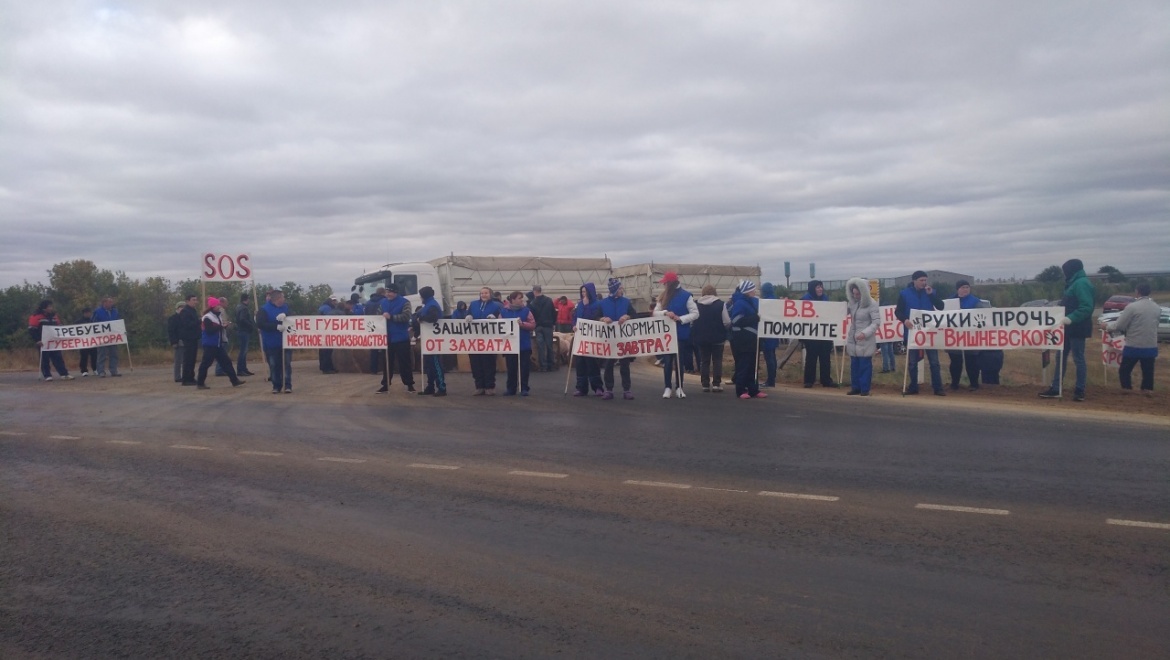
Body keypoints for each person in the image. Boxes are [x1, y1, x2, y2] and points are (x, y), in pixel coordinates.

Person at [1039, 259, 1094, 401]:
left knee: (1078, 358)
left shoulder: (1081, 283)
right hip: (1067, 328)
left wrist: (1070, 318)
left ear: (1072, 270)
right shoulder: (1073, 283)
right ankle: (1056, 387)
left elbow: (1087, 307)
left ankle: (1080, 390)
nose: (1064, 274)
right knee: (1060, 357)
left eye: (1065, 271)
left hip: (1077, 327)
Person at [1102, 282, 1159, 395]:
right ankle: (1147, 391)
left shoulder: (1132, 307)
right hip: (1151, 345)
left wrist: (1107, 326)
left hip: (1134, 344)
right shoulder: (1156, 307)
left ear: (1137, 292)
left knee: (1125, 370)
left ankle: (1127, 390)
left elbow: (1120, 325)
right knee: (1148, 371)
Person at [896, 271, 946, 395]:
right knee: (912, 362)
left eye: (925, 280)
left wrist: (931, 295)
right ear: (914, 281)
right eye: (921, 280)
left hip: (929, 333)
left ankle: (938, 388)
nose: (924, 283)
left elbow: (941, 306)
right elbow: (898, 312)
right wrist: (905, 320)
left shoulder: (930, 292)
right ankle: (913, 387)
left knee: (934, 362)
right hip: (913, 332)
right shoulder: (904, 294)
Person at [653, 271, 698, 398]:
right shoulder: (663, 296)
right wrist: (665, 313)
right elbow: (656, 312)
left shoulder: (686, 296)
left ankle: (679, 387)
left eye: (665, 283)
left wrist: (680, 318)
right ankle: (667, 387)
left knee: (680, 361)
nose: (663, 285)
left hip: (680, 333)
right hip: (667, 334)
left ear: (670, 283)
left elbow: (695, 313)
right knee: (667, 361)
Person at [195, 297, 245, 389]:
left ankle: (235, 381)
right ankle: (200, 383)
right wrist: (221, 326)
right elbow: (209, 331)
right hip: (210, 344)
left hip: (217, 344)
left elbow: (217, 329)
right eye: (217, 305)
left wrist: (223, 327)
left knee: (226, 362)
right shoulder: (207, 317)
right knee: (206, 364)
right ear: (213, 306)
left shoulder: (216, 316)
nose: (219, 306)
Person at [598, 278, 636, 400]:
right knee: (609, 364)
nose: (622, 290)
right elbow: (595, 317)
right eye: (620, 288)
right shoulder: (603, 303)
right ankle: (609, 389)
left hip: (623, 338)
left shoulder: (626, 302)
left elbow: (635, 315)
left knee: (625, 364)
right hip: (609, 338)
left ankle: (627, 389)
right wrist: (603, 319)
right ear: (614, 290)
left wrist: (627, 316)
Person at [728, 280, 765, 399]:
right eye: (753, 289)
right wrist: (755, 318)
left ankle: (753, 389)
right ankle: (741, 390)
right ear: (748, 291)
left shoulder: (751, 302)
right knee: (744, 365)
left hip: (753, 339)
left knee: (753, 366)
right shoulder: (740, 303)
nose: (754, 291)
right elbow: (736, 321)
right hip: (743, 339)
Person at [844, 278, 881, 396]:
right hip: (854, 339)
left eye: (858, 294)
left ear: (864, 292)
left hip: (865, 339)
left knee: (865, 365)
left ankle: (864, 389)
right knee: (854, 364)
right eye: (854, 294)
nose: (856, 296)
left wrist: (865, 334)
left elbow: (876, 323)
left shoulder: (872, 304)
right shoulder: (854, 304)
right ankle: (855, 387)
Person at [946, 279, 983, 392]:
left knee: (971, 360)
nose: (965, 289)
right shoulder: (950, 301)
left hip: (970, 335)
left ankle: (974, 384)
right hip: (954, 335)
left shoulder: (976, 301)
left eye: (967, 287)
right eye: (963, 287)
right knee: (955, 361)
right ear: (958, 289)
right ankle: (954, 383)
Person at [378, 284, 415, 393]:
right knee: (387, 363)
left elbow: (407, 316)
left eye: (390, 292)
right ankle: (385, 384)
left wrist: (391, 317)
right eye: (386, 292)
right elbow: (377, 316)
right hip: (387, 338)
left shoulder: (405, 302)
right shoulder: (383, 302)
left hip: (401, 337)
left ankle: (409, 384)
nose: (388, 294)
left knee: (405, 363)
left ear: (396, 292)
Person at [693, 284, 730, 393]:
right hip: (718, 337)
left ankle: (705, 384)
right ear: (715, 292)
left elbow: (693, 320)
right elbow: (727, 321)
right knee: (717, 360)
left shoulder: (696, 305)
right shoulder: (721, 304)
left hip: (702, 337)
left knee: (704, 360)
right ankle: (716, 384)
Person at [467, 286, 504, 395]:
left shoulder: (496, 306)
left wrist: (495, 317)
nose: (483, 295)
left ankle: (489, 386)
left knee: (488, 363)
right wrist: (468, 315)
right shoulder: (473, 304)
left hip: (489, 340)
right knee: (476, 363)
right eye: (482, 293)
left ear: (490, 294)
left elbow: (502, 318)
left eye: (486, 293)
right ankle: (479, 386)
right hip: (474, 340)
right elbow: (468, 313)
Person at [801, 280, 836, 388]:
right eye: (817, 287)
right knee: (811, 358)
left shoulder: (825, 299)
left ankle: (826, 380)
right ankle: (808, 381)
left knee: (825, 358)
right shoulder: (804, 300)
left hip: (824, 334)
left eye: (821, 287)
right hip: (811, 334)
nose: (820, 289)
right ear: (812, 288)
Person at [257, 289, 292, 394]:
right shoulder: (263, 309)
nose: (284, 299)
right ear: (277, 299)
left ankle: (287, 385)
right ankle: (276, 386)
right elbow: (261, 324)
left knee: (286, 364)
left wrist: (287, 317)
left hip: (285, 342)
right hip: (271, 343)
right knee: (273, 365)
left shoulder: (286, 308)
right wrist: (276, 326)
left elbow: (294, 319)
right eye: (282, 297)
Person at [501, 291, 536, 396]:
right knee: (511, 368)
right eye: (520, 298)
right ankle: (511, 388)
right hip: (510, 344)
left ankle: (524, 388)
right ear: (513, 300)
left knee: (524, 368)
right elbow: (499, 325)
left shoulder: (527, 311)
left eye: (522, 298)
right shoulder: (503, 311)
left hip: (523, 343)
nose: (522, 300)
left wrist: (522, 324)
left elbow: (533, 324)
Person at [28, 300, 73, 381]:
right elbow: (32, 330)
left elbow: (59, 327)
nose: (51, 308)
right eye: (49, 306)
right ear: (44, 308)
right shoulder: (36, 316)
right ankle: (47, 375)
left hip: (54, 341)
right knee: (44, 358)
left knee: (58, 357)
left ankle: (64, 374)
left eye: (51, 306)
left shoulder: (54, 316)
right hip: (43, 342)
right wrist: (37, 340)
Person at [414, 286, 447, 396]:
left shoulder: (431, 305)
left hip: (434, 339)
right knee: (429, 365)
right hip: (429, 338)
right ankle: (431, 386)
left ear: (424, 296)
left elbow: (433, 318)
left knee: (435, 364)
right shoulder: (430, 304)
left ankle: (441, 387)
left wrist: (421, 318)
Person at [573, 283, 604, 396]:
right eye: (582, 292)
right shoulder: (580, 304)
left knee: (592, 363)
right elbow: (576, 317)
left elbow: (593, 318)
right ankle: (581, 387)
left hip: (592, 338)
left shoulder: (597, 304)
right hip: (580, 337)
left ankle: (597, 387)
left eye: (585, 292)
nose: (583, 294)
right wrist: (574, 325)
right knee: (580, 363)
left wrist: (586, 307)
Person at [529, 285, 557, 372]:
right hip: (548, 325)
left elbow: (531, 316)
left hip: (538, 326)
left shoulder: (532, 303)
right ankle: (551, 365)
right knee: (549, 345)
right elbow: (553, 312)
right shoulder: (549, 300)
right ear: (541, 290)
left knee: (541, 346)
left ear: (534, 291)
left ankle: (543, 366)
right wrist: (553, 323)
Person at [92, 296, 122, 377]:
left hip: (113, 336)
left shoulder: (115, 311)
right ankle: (101, 371)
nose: (111, 304)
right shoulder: (98, 311)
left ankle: (114, 370)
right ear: (104, 303)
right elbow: (93, 323)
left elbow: (118, 322)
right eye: (109, 302)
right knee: (102, 354)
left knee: (114, 354)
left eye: (112, 302)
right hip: (102, 337)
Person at [758, 283, 780, 387]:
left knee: (769, 357)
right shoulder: (775, 301)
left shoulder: (765, 302)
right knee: (773, 356)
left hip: (767, 333)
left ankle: (770, 381)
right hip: (775, 333)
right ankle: (772, 379)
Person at [178, 294, 202, 386]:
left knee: (192, 359)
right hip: (188, 338)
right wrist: (199, 321)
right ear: (187, 301)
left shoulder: (193, 311)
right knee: (188, 359)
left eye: (196, 300)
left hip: (194, 337)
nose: (195, 301)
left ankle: (191, 377)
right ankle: (186, 379)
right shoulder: (185, 311)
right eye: (193, 300)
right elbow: (187, 324)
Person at [234, 293, 256, 377]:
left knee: (243, 351)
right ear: (246, 299)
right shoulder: (244, 308)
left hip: (240, 330)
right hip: (244, 331)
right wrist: (250, 325)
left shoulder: (238, 307)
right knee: (243, 351)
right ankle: (240, 369)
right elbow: (242, 319)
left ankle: (244, 369)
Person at [366, 287, 386, 374]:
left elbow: (365, 314)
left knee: (374, 348)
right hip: (382, 326)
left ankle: (373, 369)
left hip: (371, 326)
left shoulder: (368, 302)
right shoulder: (384, 301)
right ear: (383, 293)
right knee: (384, 347)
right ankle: (385, 368)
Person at [316, 297, 337, 374]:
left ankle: (324, 367)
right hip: (327, 331)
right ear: (330, 301)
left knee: (322, 350)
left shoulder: (322, 307)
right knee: (327, 351)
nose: (335, 302)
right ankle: (327, 368)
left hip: (321, 331)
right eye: (334, 301)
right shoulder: (328, 308)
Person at [75, 306, 98, 377]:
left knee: (94, 356)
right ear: (84, 313)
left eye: (89, 313)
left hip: (92, 341)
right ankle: (84, 370)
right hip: (83, 342)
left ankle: (95, 369)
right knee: (84, 356)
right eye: (87, 313)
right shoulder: (78, 322)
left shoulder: (93, 321)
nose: (88, 314)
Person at [166, 302, 185, 382]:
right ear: (177, 308)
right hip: (178, 341)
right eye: (181, 307)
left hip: (185, 340)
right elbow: (171, 331)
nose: (183, 308)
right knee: (178, 360)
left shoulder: (185, 317)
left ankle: (185, 375)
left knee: (185, 360)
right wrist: (174, 342)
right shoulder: (173, 318)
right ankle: (177, 377)